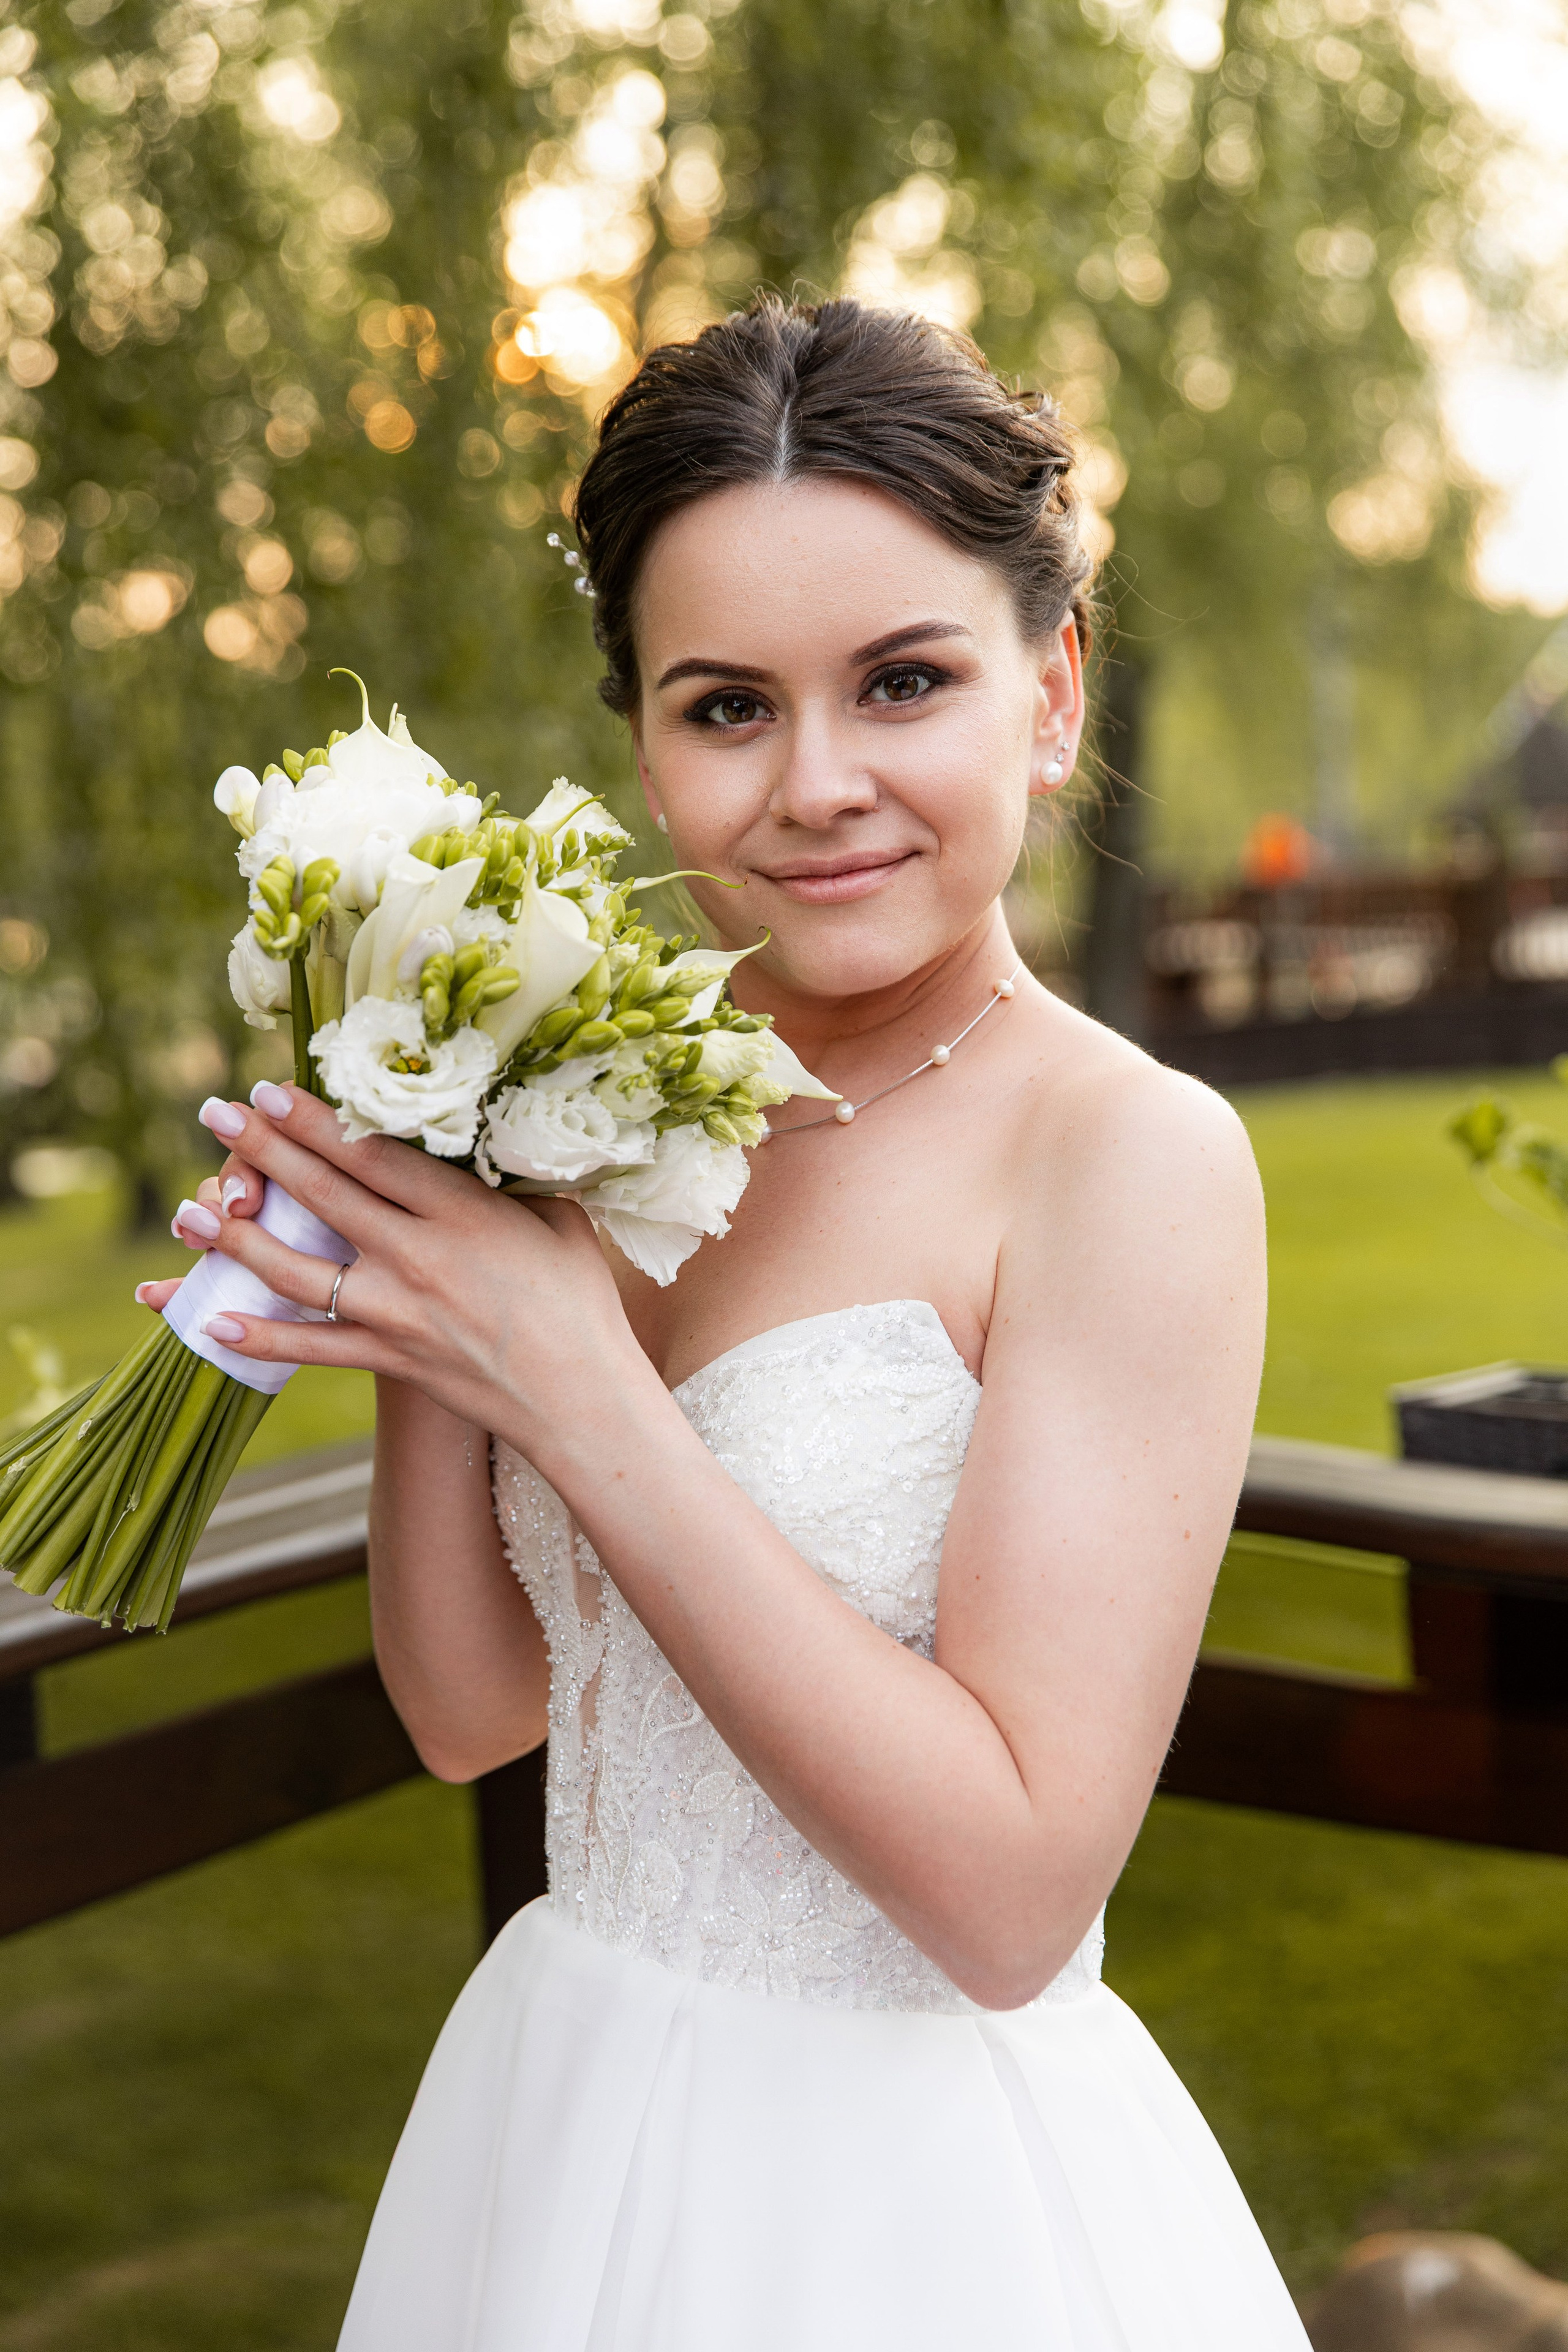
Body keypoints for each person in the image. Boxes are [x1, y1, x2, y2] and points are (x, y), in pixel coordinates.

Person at [158, 296, 1305, 2349]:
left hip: (907, 2202)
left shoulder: (1129, 1160)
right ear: (643, 740)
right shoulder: (593, 1091)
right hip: (567, 2091)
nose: (820, 785)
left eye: (903, 681)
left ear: (1048, 695)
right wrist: (428, 1210)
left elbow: (1009, 1897)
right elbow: (471, 1713)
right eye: (726, 707)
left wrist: (572, 1381)